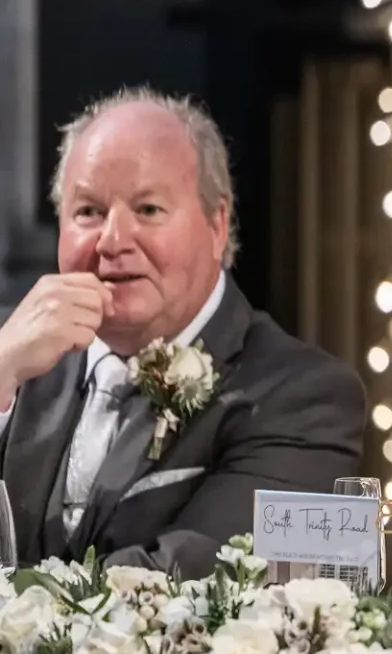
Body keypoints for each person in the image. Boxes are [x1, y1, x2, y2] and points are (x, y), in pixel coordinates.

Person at [0, 89, 364, 578]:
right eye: (88, 211)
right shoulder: (16, 360)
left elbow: (197, 582)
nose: (112, 240)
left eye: (148, 209)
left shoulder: (308, 399)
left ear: (217, 223)